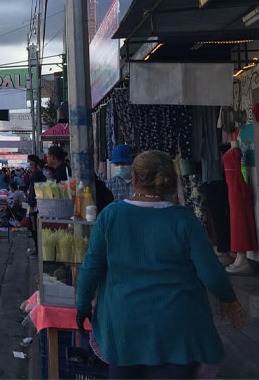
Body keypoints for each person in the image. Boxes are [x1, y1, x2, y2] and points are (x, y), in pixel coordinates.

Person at [76, 150, 245, 379]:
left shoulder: (111, 216)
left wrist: (83, 305)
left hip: (124, 327)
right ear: (171, 180)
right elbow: (211, 273)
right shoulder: (184, 219)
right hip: (177, 330)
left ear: (134, 178)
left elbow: (91, 268)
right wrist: (228, 299)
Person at [26, 154, 47, 257]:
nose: (28, 164)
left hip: (35, 205)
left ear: (33, 162)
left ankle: (38, 249)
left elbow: (35, 191)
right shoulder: (36, 173)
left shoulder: (36, 174)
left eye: (29, 162)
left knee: (34, 228)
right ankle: (37, 248)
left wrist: (31, 205)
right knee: (34, 228)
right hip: (35, 204)